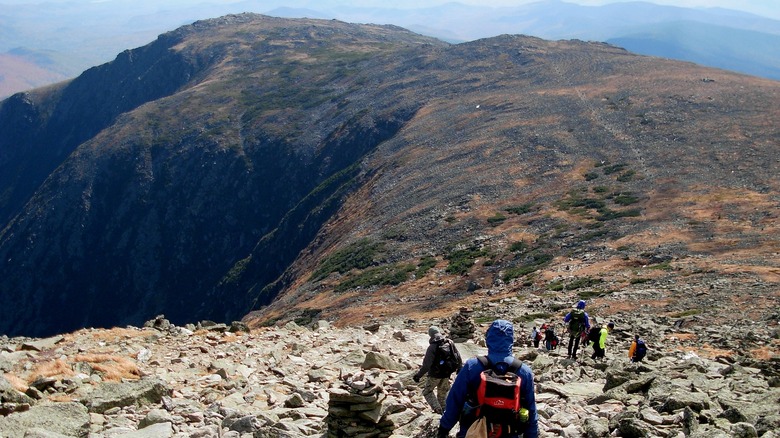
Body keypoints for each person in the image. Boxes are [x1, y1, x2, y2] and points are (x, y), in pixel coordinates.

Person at [437, 319, 538, 438]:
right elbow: (531, 410)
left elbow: (455, 401)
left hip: (473, 432)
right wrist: (532, 435)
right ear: (511, 340)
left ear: (488, 339)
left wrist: (444, 428)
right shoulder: (524, 371)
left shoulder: (472, 366)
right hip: (509, 433)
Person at [414, 326, 462, 414]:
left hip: (435, 375)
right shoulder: (449, 342)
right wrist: (459, 368)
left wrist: (418, 376)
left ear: (430, 335)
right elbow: (457, 356)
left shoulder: (432, 347)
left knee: (427, 392)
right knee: (442, 394)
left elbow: (426, 365)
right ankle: (446, 411)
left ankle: (437, 409)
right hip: (447, 373)